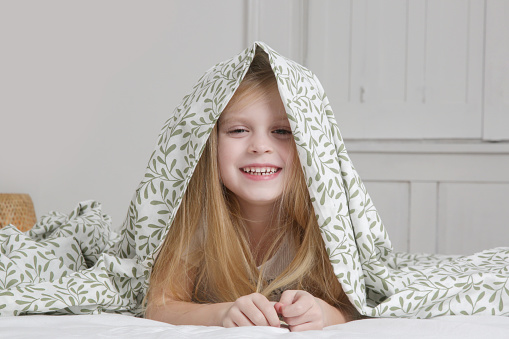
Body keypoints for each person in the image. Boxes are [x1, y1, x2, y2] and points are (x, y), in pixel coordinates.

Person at [144, 47, 360, 331]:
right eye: (238, 130)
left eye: (282, 131)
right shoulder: (196, 223)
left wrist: (323, 312)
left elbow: (357, 305)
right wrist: (222, 314)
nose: (260, 146)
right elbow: (160, 306)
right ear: (208, 143)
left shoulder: (326, 229)